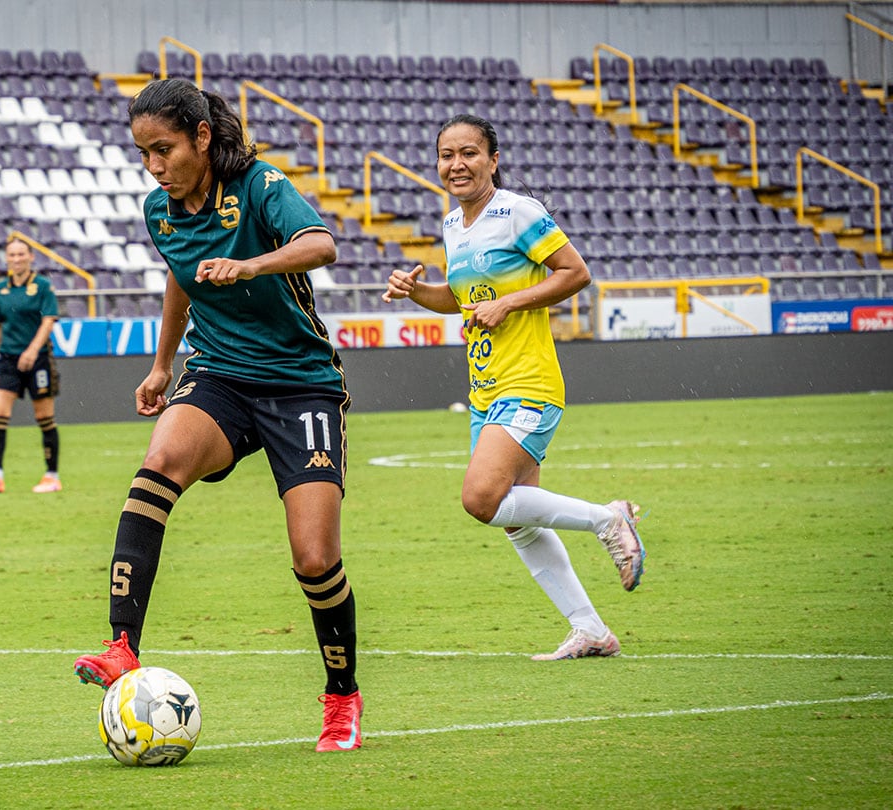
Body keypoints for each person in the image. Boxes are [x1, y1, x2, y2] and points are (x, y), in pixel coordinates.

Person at [72, 78, 364, 752]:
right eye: (143, 153)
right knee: (159, 463)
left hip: (300, 385)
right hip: (220, 375)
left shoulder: (261, 187)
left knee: (315, 556)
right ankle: (122, 646)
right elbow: (178, 276)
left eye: (164, 149)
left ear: (202, 137)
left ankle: (341, 698)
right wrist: (161, 364)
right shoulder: (160, 210)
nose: (154, 166)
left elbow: (322, 245)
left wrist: (249, 265)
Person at [382, 113, 647, 661]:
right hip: (486, 388)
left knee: (481, 500)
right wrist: (417, 291)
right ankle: (591, 630)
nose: (457, 164)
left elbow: (575, 273)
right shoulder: (455, 225)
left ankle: (607, 518)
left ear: (493, 160)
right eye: (447, 155)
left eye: (469, 153)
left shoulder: (518, 212)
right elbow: (463, 300)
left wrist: (509, 302)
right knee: (518, 520)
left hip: (528, 381)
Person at [0, 237, 62, 494]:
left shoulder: (43, 286)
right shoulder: (1, 288)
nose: (16, 259)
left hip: (38, 360)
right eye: (12, 255)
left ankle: (51, 476)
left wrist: (32, 350)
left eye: (21, 254)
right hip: (8, 359)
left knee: (44, 417)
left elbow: (48, 321)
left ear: (31, 257)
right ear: (7, 259)